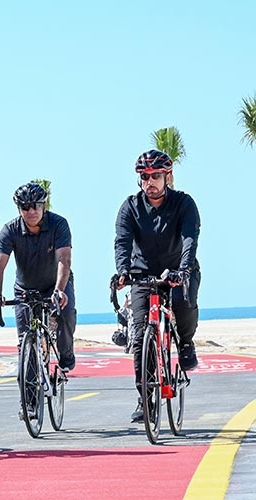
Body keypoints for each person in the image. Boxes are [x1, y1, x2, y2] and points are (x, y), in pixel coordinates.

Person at [114, 149, 201, 423]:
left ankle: (186, 343)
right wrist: (123, 271)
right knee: (139, 338)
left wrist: (184, 270)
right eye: (144, 177)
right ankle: (144, 399)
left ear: (168, 177)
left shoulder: (184, 204)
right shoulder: (130, 206)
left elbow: (190, 239)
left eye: (156, 176)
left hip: (178, 270)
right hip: (143, 276)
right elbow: (122, 241)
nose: (149, 182)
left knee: (183, 303)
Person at [0, 182, 77, 373]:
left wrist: (59, 291)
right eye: (25, 207)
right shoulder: (9, 230)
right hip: (25, 289)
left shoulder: (59, 224)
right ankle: (29, 394)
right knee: (24, 340)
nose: (31, 211)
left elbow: (64, 258)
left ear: (44, 205)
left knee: (67, 313)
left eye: (36, 205)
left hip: (56, 284)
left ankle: (66, 353)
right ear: (19, 209)